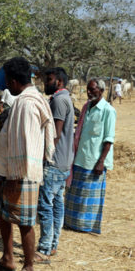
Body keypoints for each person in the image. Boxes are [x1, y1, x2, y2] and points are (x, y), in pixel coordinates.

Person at [0, 57, 55, 271]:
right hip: (9, 171)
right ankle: (7, 258)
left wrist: (14, 178)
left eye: (7, 80)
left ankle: (28, 266)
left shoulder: (26, 104)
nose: (6, 85)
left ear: (14, 81)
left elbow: (24, 142)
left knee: (25, 222)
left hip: (20, 173)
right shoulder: (33, 98)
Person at [64, 78, 116, 234]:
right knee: (75, 193)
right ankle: (71, 223)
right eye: (88, 89)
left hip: (94, 161)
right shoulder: (86, 107)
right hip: (79, 157)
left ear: (101, 91)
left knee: (89, 197)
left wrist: (101, 162)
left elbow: (109, 139)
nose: (89, 92)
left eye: (92, 89)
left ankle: (85, 226)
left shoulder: (108, 110)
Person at [35, 67, 75, 263]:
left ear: (59, 81)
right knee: (57, 203)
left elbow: (56, 134)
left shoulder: (58, 100)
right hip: (65, 161)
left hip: (55, 161)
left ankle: (44, 247)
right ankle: (53, 244)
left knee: (45, 205)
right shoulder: (66, 98)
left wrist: (45, 157)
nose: (46, 83)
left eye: (49, 80)